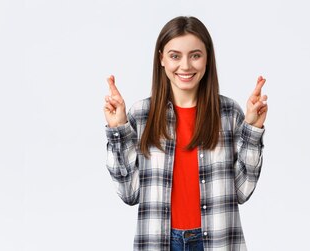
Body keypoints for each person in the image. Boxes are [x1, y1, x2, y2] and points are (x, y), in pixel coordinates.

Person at [103, 16, 267, 251]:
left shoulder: (229, 114)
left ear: (207, 58)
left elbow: (242, 191)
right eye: (175, 56)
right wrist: (118, 128)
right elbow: (130, 193)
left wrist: (252, 128)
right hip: (160, 242)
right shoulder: (141, 115)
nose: (186, 66)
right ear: (161, 58)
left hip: (217, 242)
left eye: (195, 55)